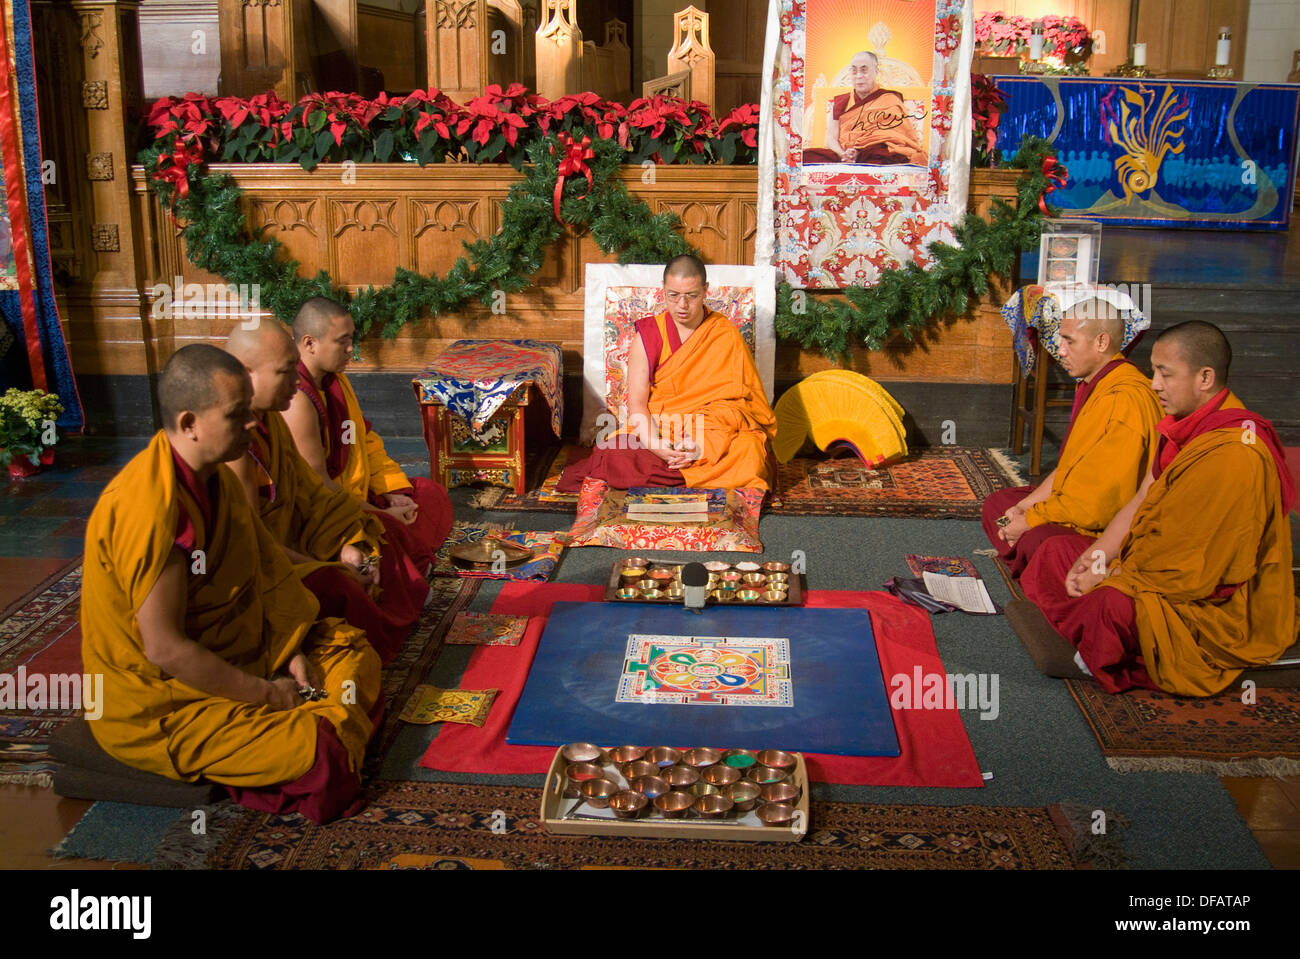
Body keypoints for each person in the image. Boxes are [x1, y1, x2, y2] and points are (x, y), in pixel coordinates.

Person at [79, 345, 383, 823]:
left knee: (353, 651)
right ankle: (301, 733)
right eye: (237, 414)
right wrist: (266, 694)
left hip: (238, 653)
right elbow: (165, 649)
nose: (251, 425)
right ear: (188, 423)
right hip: (165, 699)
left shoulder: (216, 479)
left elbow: (262, 579)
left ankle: (305, 721)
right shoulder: (149, 507)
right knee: (321, 750)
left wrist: (286, 651)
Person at [1015, 321, 1296, 696]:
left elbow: (1192, 569)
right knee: (1055, 551)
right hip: (1147, 563)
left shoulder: (1235, 454)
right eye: (1154, 371)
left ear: (1205, 378)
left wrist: (1114, 576)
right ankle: (1092, 632)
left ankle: (1096, 637)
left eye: (1165, 373)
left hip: (1207, 600)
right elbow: (1142, 499)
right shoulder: (1183, 425)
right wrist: (1098, 557)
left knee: (1112, 605)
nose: (1154, 384)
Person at [225, 321, 429, 665]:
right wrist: (328, 563)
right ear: (246, 373)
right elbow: (254, 550)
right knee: (345, 599)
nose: (295, 382)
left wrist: (344, 542)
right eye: (285, 371)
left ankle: (380, 623)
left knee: (377, 531)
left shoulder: (270, 420)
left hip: (299, 539)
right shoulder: (234, 447)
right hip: (265, 573)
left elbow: (311, 494)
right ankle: (374, 642)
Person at [557, 254, 778, 492]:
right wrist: (657, 446)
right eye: (673, 295)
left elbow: (737, 406)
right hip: (661, 428)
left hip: (712, 434)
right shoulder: (649, 335)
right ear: (663, 291)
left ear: (706, 290)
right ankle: (696, 475)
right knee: (614, 454)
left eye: (691, 296)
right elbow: (638, 406)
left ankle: (678, 473)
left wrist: (699, 444)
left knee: (751, 452)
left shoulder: (724, 334)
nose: (682, 305)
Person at [980, 309, 1162, 576]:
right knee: (999, 504)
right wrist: (1024, 507)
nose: (1060, 352)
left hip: (1104, 526)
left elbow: (1098, 504)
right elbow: (1069, 466)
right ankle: (1030, 559)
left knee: (1041, 543)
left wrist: (1030, 520)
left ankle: (1037, 563)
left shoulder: (1124, 400)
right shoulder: (1098, 385)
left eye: (1069, 341)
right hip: (1074, 505)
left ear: (1101, 342)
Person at [284, 297, 453, 581]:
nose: (351, 349)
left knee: (429, 495)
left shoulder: (336, 380)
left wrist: (391, 491)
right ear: (310, 343)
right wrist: (377, 513)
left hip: (358, 498)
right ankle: (397, 561)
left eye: (352, 339)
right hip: (330, 516)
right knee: (386, 547)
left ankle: (402, 552)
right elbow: (317, 488)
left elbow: (366, 440)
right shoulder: (296, 401)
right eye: (342, 341)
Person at [802, 51, 926, 166]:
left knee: (881, 157)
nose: (859, 76)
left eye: (864, 70)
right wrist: (843, 155)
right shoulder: (841, 101)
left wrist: (859, 151)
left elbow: (893, 137)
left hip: (873, 153)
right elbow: (831, 138)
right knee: (805, 157)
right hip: (843, 155)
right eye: (854, 71)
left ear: (876, 72)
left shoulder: (889, 100)